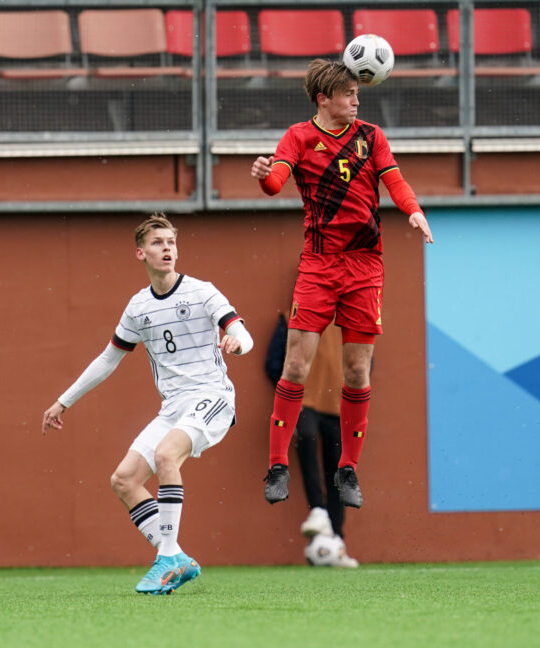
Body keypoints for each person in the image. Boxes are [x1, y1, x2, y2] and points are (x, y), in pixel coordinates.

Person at [250, 59, 433, 509]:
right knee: (296, 366)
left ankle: (348, 469)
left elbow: (394, 180)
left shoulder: (371, 137)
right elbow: (276, 182)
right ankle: (277, 465)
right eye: (348, 94)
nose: (356, 101)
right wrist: (265, 176)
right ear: (323, 99)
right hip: (318, 265)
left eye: (357, 93)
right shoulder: (298, 137)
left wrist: (413, 209)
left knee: (356, 371)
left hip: (365, 266)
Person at [41, 214, 254, 595]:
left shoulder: (202, 292)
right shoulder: (138, 307)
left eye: (171, 242)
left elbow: (241, 332)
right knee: (124, 480)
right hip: (173, 408)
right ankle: (175, 556)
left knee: (166, 455)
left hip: (212, 397)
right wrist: (63, 401)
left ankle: (167, 559)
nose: (167, 248)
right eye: (158, 243)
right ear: (141, 253)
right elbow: (108, 359)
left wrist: (237, 342)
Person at [265, 313, 359, 568]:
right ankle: (317, 510)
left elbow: (363, 362)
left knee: (339, 471)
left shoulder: (352, 319)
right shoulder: (291, 316)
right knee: (306, 440)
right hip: (304, 400)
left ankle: (336, 540)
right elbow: (273, 362)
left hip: (339, 405)